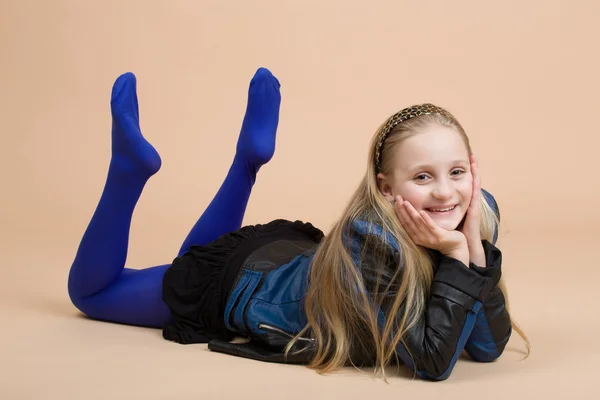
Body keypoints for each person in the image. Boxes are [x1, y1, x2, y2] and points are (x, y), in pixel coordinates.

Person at [67, 67, 530, 381]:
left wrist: (473, 246)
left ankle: (247, 162)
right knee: (91, 294)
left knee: (189, 263)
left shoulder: (472, 215)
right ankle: (127, 174)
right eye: (423, 177)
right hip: (247, 285)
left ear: (474, 169)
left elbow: (487, 346)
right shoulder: (371, 244)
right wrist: (454, 255)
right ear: (387, 189)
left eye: (457, 172)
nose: (446, 193)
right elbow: (433, 362)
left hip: (287, 261)